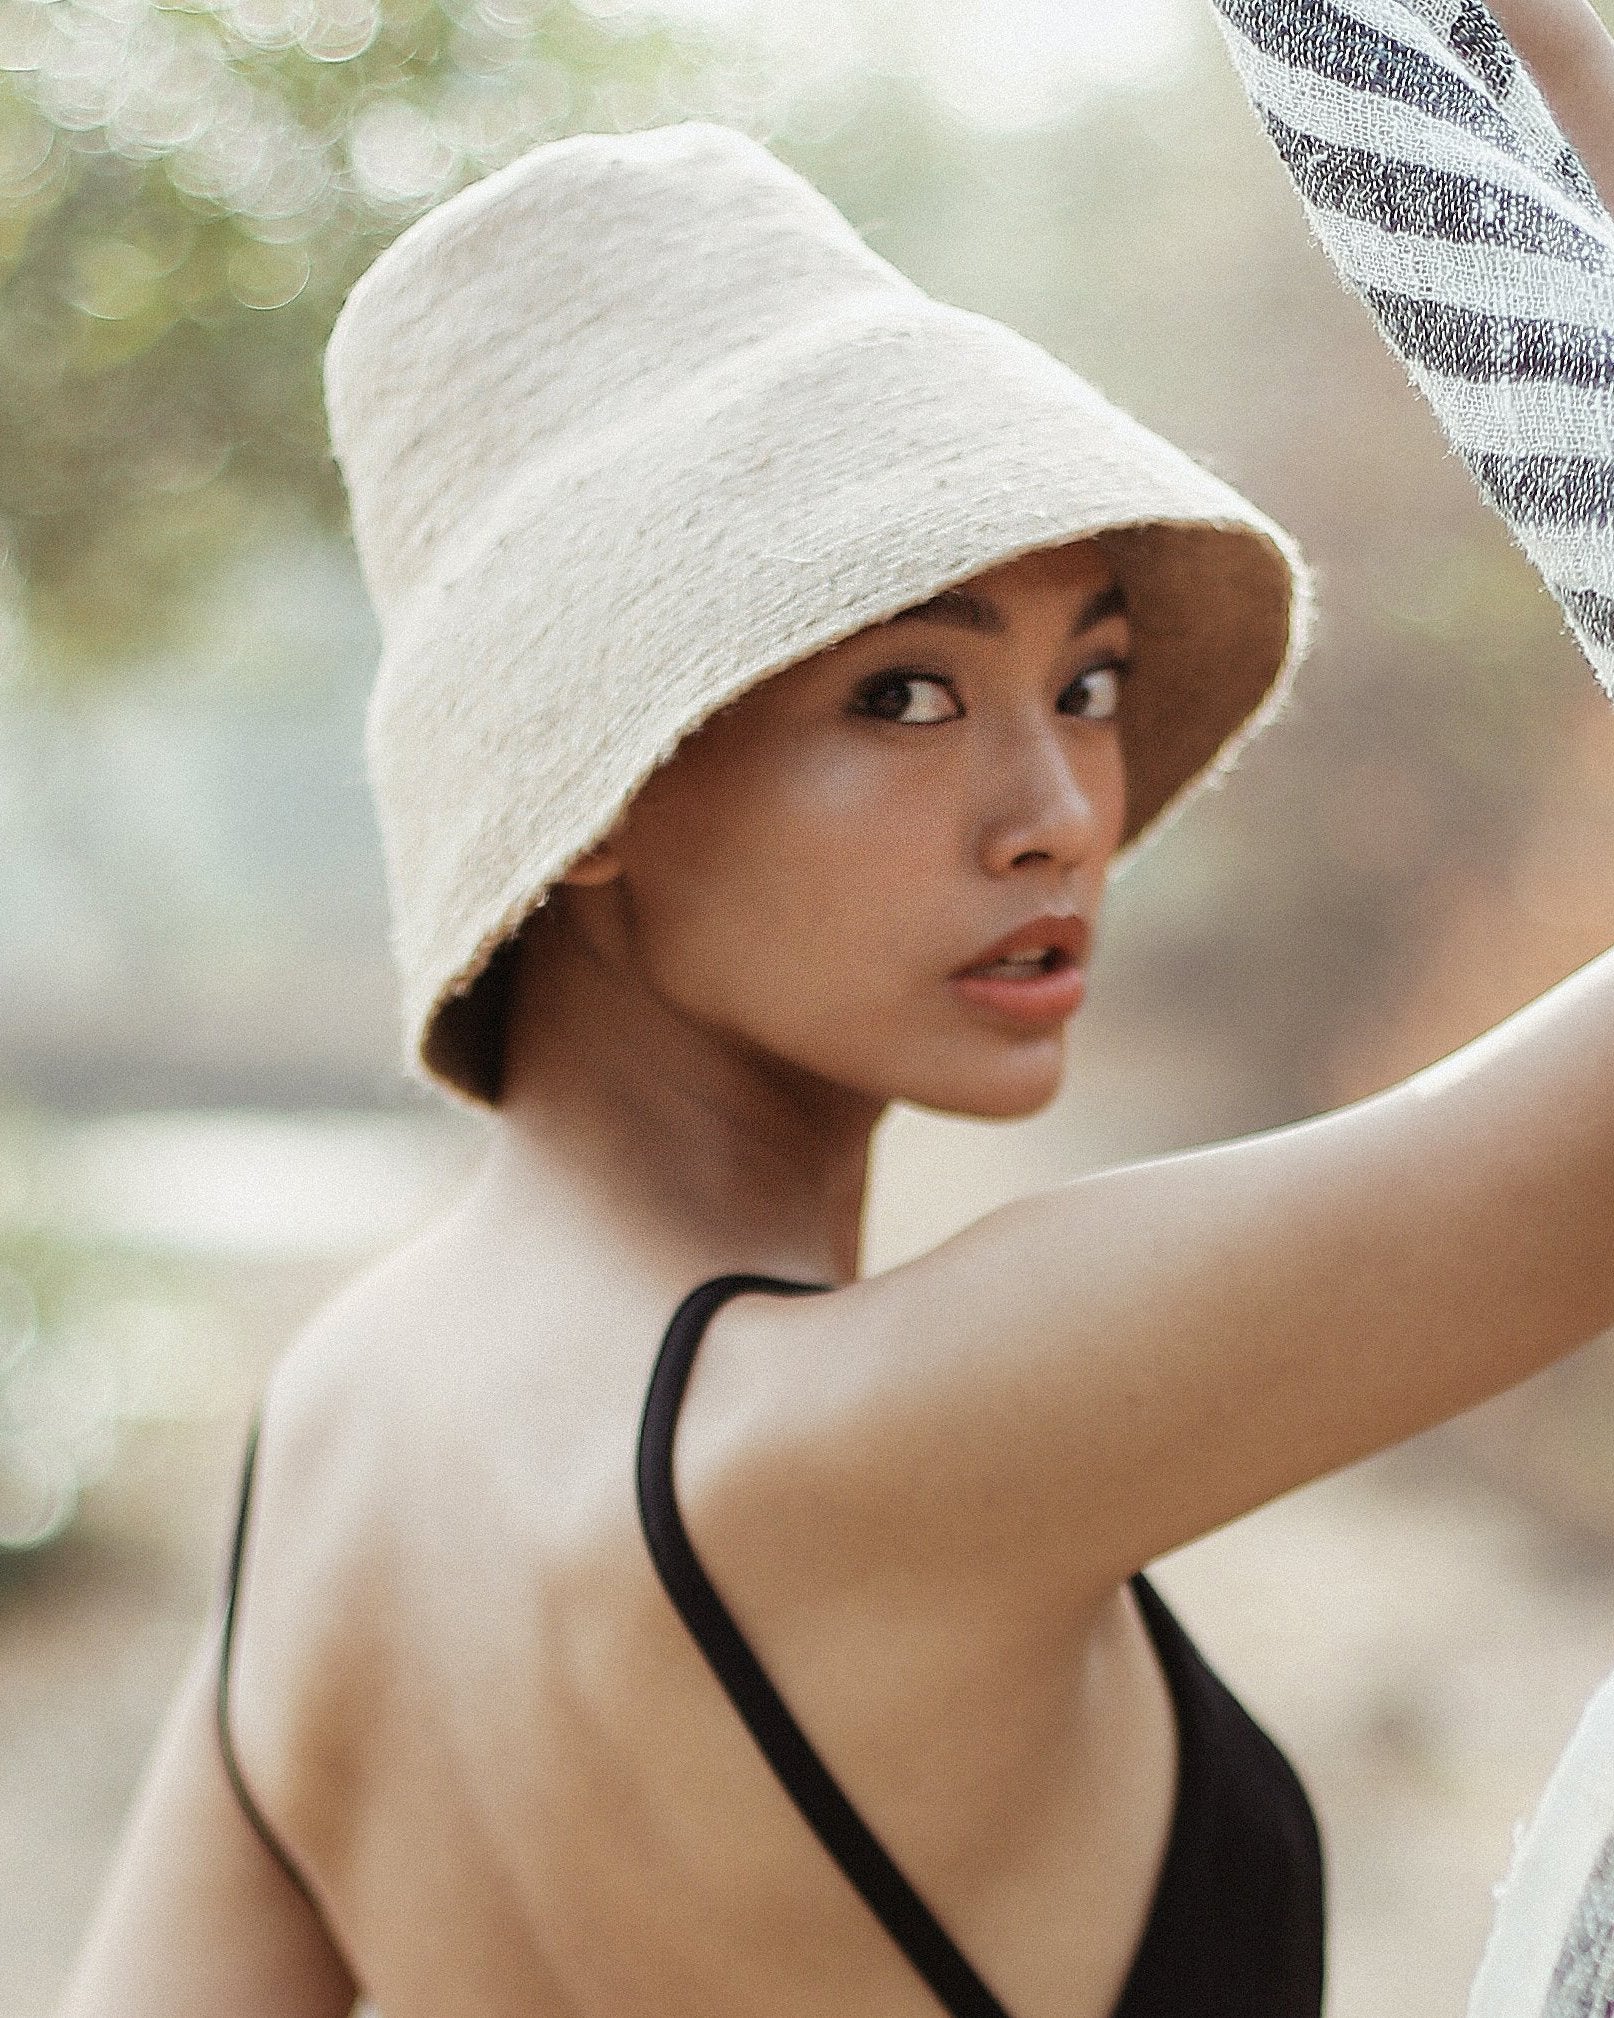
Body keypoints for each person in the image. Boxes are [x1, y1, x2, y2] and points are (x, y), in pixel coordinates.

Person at [57, 4, 1614, 2016]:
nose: (1060, 813)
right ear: (598, 781)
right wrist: (1568, 89)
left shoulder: (330, 1438)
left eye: (1090, 679)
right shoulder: (897, 1436)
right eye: (904, 693)